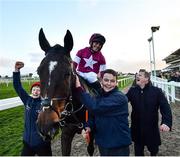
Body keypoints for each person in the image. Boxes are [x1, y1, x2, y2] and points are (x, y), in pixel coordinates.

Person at [76, 69, 131, 156]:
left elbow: (95, 107)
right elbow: (93, 116)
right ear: (101, 81)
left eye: (112, 81)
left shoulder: (120, 98)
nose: (108, 83)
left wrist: (79, 89)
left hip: (118, 145)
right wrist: (89, 126)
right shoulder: (98, 96)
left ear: (117, 83)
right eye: (106, 80)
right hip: (103, 144)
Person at [126, 70, 172, 156]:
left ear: (147, 78)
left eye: (140, 75)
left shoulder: (157, 91)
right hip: (137, 129)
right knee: (138, 153)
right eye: (137, 75)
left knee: (154, 151)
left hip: (152, 129)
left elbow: (165, 107)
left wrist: (166, 122)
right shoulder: (132, 91)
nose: (137, 76)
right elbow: (122, 102)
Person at [13, 61, 52, 156]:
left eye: (39, 90)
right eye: (34, 89)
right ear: (31, 91)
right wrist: (16, 71)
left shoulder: (45, 104)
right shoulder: (27, 100)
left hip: (42, 144)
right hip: (27, 142)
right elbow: (18, 87)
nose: (36, 91)